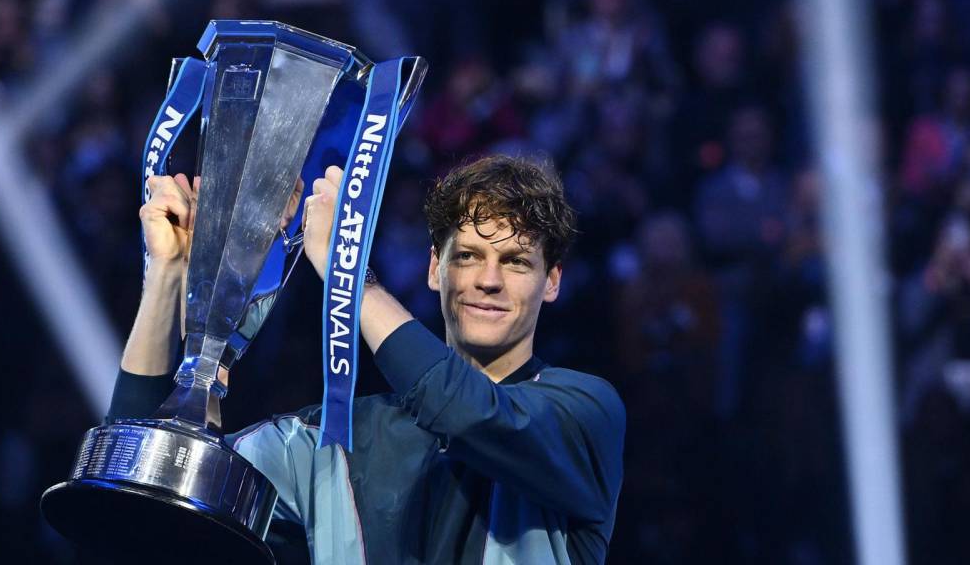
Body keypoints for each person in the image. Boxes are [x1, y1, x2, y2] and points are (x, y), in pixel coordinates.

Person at [110, 155, 625, 564]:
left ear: (552, 281)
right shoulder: (328, 442)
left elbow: (464, 411)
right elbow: (144, 498)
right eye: (466, 255)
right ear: (434, 269)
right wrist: (168, 275)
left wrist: (347, 274)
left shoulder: (583, 413)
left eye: (515, 262)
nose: (488, 280)